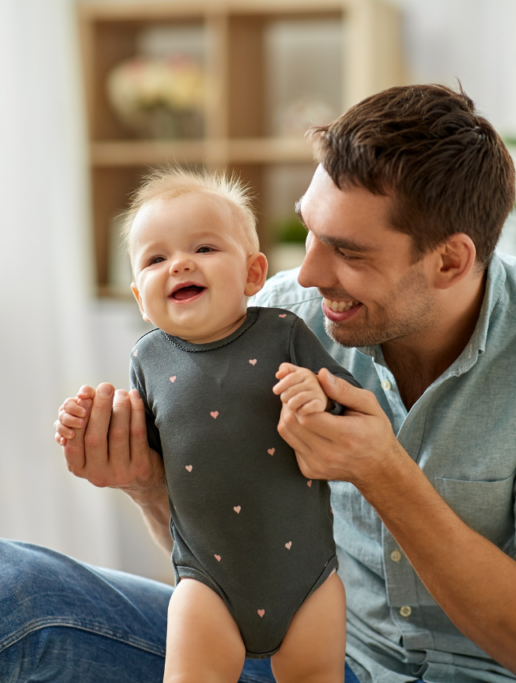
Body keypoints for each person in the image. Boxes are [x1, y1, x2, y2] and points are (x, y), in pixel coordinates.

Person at [0, 84, 516, 683]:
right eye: (310, 232)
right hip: (303, 659)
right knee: (2, 580)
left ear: (450, 261)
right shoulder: (281, 316)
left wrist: (384, 470)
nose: (306, 272)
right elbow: (231, 558)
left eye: (351, 253)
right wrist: (154, 483)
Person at [67, 167, 357, 681]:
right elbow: (149, 455)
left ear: (252, 274)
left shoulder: (284, 332)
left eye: (203, 249)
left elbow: (347, 408)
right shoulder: (147, 358)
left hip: (305, 574)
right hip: (206, 577)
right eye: (156, 258)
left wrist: (317, 397)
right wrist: (99, 428)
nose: (179, 264)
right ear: (140, 297)